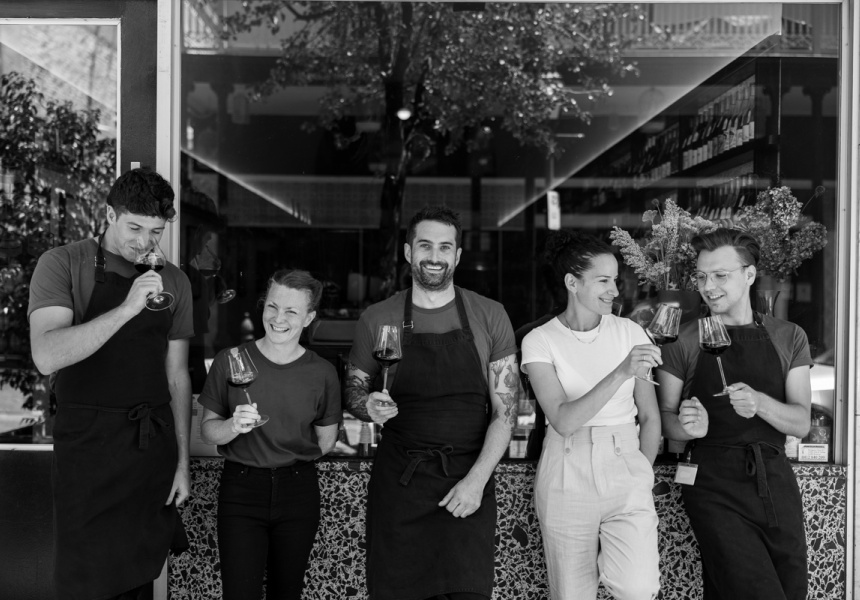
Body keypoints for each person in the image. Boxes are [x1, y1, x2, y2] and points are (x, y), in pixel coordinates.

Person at [28, 167, 193, 600]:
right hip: (88, 452)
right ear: (109, 215)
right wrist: (126, 308)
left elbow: (177, 375)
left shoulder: (175, 281)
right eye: (134, 228)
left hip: (148, 451)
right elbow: (46, 356)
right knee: (84, 582)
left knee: (138, 579)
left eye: (156, 231)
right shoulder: (63, 263)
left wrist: (181, 463)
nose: (145, 242)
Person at [345, 205, 519, 600]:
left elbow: (505, 413)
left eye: (445, 247)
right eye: (425, 246)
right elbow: (353, 389)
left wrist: (476, 482)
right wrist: (367, 406)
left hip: (467, 484)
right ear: (409, 252)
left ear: (457, 255)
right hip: (400, 487)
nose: (435, 256)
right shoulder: (378, 317)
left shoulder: (490, 315)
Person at [656, 228, 812, 600]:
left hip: (776, 482)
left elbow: (801, 422)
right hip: (713, 486)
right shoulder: (683, 340)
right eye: (701, 277)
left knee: (791, 590)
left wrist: (760, 403)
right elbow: (664, 417)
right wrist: (688, 427)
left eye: (720, 275)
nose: (708, 287)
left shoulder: (789, 336)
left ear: (749, 274)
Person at [520, 230, 661, 600]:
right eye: (603, 281)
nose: (614, 290)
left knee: (638, 587)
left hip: (624, 462)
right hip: (566, 468)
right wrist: (620, 372)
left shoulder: (631, 332)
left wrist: (641, 473)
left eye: (615, 280)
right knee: (571, 594)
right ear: (572, 282)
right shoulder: (540, 340)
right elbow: (563, 420)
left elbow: (649, 416)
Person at [199, 269, 342, 600]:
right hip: (241, 489)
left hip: (298, 492)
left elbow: (326, 441)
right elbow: (208, 431)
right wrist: (232, 426)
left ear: (309, 318)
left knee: (287, 593)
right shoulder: (230, 360)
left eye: (291, 311)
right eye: (272, 307)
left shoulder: (322, 372)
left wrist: (286, 456)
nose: (278, 318)